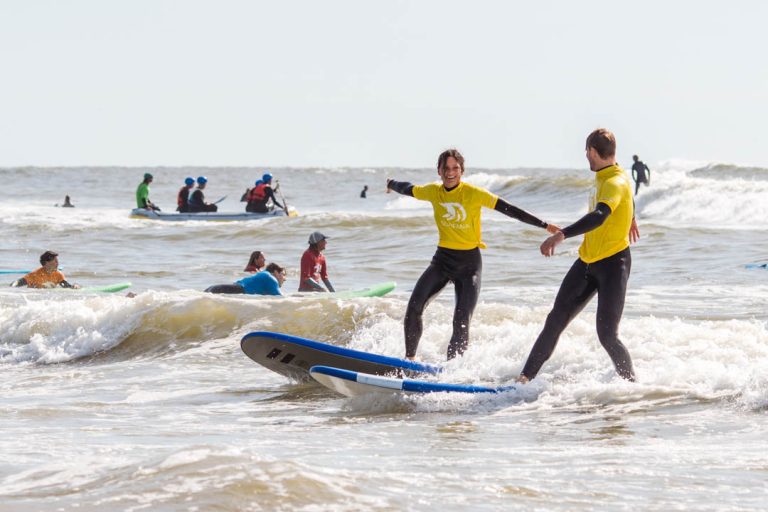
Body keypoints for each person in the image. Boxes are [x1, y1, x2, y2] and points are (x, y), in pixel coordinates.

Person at [387, 149, 559, 360]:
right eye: (446, 168)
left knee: (461, 319)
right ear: (439, 171)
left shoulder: (474, 194)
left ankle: (451, 371)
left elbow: (510, 209)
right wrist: (391, 183)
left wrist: (544, 225)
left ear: (462, 170)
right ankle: (409, 361)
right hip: (442, 261)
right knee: (414, 307)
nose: (451, 173)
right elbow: (408, 189)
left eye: (455, 168)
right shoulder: (433, 191)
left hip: (469, 266)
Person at [517, 128, 639, 384]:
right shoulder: (609, 175)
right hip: (587, 262)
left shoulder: (614, 181)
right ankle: (524, 380)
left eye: (587, 152)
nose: (586, 157)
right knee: (555, 319)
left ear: (592, 151)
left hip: (613, 264)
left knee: (607, 335)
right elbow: (623, 196)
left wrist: (562, 234)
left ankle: (631, 386)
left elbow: (600, 215)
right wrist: (631, 216)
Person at [205, 263, 286, 296]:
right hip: (230, 290)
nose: (285, 279)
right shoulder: (271, 279)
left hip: (217, 288)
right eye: (283, 275)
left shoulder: (263, 276)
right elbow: (281, 299)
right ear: (275, 272)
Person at [9, 251, 80, 289]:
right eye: (55, 261)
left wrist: (75, 286)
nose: (57, 263)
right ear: (46, 263)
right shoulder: (35, 275)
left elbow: (67, 287)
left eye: (57, 260)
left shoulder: (58, 275)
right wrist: (12, 287)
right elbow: (18, 282)